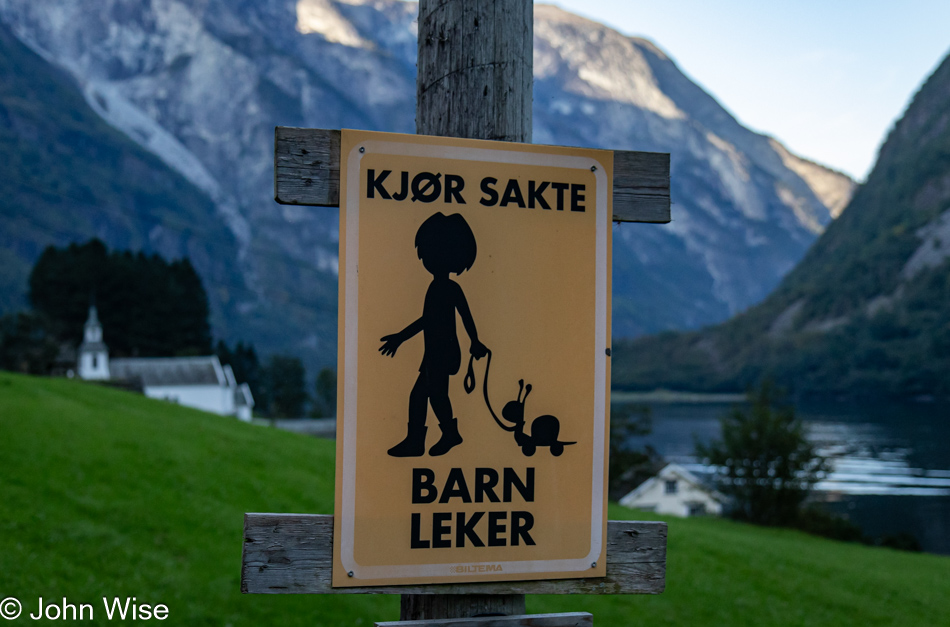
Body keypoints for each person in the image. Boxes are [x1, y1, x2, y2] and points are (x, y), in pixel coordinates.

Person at [380, 212, 488, 457]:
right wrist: (400, 337)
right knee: (433, 396)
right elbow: (429, 320)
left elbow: (464, 316)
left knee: (422, 395)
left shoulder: (447, 288)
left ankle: (425, 440)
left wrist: (475, 341)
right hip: (436, 352)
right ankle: (440, 436)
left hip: (442, 353)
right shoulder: (439, 287)